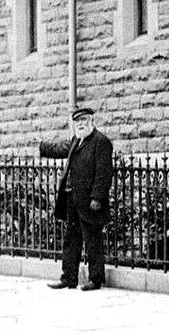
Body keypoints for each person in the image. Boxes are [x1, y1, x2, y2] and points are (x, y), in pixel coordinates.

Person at [40, 107, 114, 292]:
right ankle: (68, 278)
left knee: (92, 241)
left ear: (92, 122)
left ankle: (95, 280)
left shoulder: (101, 142)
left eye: (84, 121)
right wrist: (42, 145)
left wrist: (97, 197)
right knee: (71, 240)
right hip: (72, 199)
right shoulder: (76, 140)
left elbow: (103, 173)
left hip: (90, 201)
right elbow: (61, 149)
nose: (81, 124)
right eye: (77, 122)